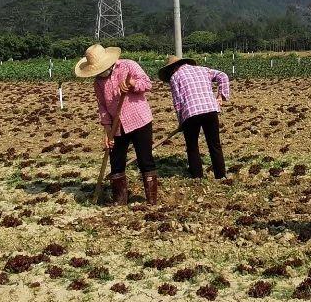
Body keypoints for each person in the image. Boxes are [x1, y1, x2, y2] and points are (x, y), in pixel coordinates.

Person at [74, 43, 157, 205]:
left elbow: (147, 84)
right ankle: (120, 200)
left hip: (139, 120)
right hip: (116, 126)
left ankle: (151, 201)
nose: (99, 73)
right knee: (116, 162)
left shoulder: (128, 66)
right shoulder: (98, 82)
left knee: (145, 159)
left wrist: (132, 84)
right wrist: (106, 129)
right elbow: (102, 106)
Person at [159, 56, 231, 179]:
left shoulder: (175, 77)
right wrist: (220, 96)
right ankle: (220, 175)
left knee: (192, 146)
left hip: (191, 112)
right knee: (214, 144)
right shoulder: (203, 69)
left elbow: (178, 102)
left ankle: (197, 176)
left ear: (172, 68)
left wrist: (181, 121)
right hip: (210, 109)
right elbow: (223, 75)